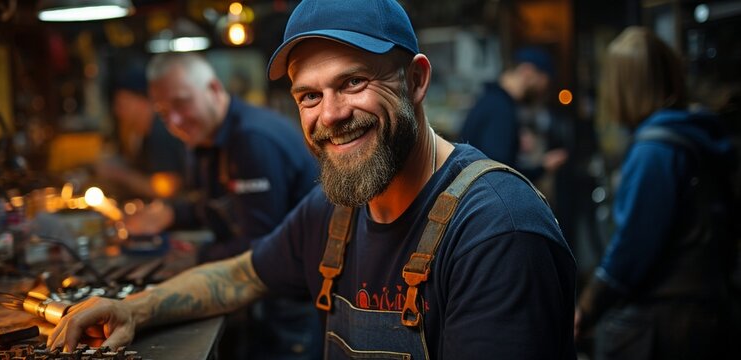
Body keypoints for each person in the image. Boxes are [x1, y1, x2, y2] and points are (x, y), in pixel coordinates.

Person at [49, 1, 577, 359]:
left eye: (353, 82)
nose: (331, 114)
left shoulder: (496, 231)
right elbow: (244, 274)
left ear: (415, 80)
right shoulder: (337, 210)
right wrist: (134, 308)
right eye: (309, 95)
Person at [126, 53, 323, 359]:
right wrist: (171, 213)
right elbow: (219, 208)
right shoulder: (206, 137)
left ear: (214, 89)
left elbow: (257, 245)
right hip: (262, 294)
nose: (174, 122)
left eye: (181, 103)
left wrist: (193, 257)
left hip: (293, 304)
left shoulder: (252, 140)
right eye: (164, 114)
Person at [574, 27, 737, 359]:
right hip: (708, 308)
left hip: (665, 321)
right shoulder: (697, 132)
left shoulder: (656, 150)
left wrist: (588, 307)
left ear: (624, 88)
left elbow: (634, 247)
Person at [460, 46, 568, 181]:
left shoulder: (492, 100)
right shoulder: (500, 108)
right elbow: (499, 175)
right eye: (543, 81)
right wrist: (542, 168)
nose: (543, 90)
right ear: (527, 71)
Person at [94, 65, 187, 199]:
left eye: (122, 103)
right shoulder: (141, 133)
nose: (118, 111)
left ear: (142, 100)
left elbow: (167, 189)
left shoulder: (161, 130)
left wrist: (118, 174)